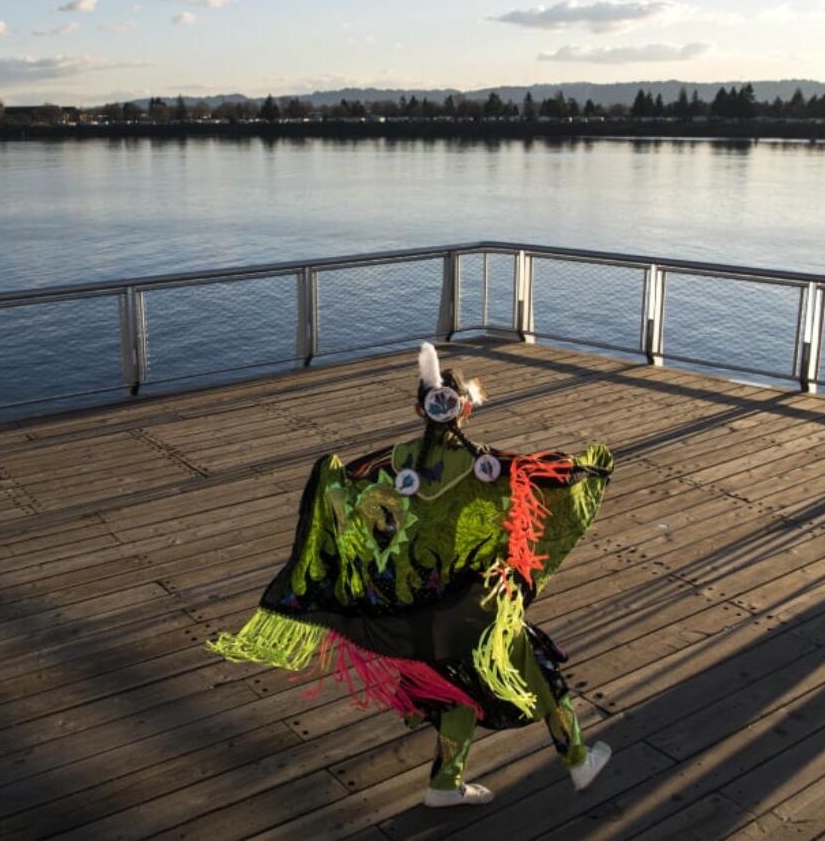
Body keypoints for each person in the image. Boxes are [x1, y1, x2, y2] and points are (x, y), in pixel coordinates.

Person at [209, 342, 612, 806]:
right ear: (466, 411)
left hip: (412, 614)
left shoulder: (389, 463)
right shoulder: (488, 465)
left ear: (418, 408)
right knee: (540, 670)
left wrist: (331, 477)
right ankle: (579, 762)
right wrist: (591, 467)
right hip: (473, 608)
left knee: (458, 691)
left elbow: (342, 484)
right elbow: (552, 477)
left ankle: (444, 786)